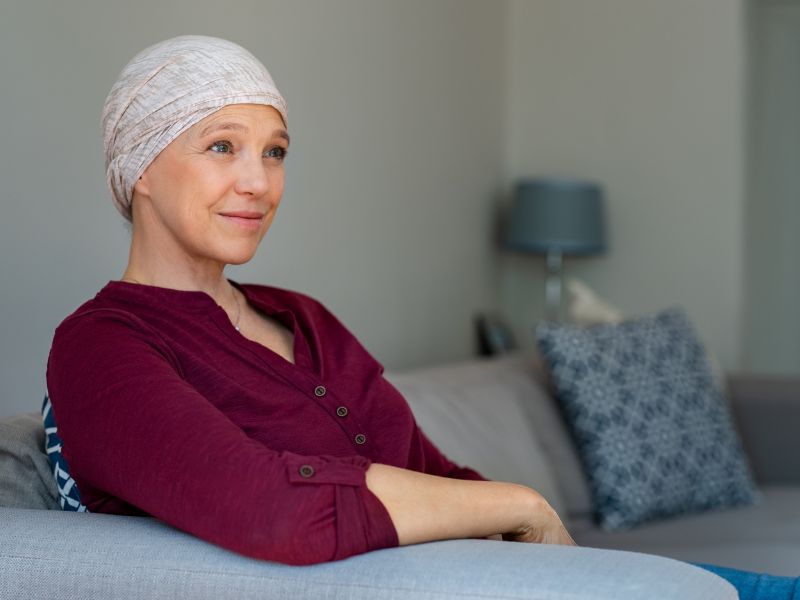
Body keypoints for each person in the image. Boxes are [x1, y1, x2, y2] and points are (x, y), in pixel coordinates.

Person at [46, 35, 797, 599]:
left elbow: (432, 475)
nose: (259, 183)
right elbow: (273, 510)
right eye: (222, 147)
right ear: (140, 168)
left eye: (275, 152)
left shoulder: (303, 318)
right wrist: (521, 503)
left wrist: (542, 543)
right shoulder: (100, 348)